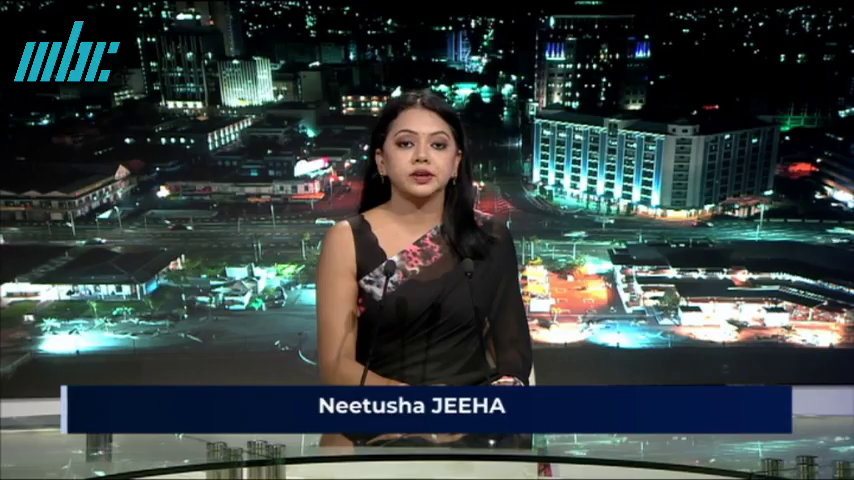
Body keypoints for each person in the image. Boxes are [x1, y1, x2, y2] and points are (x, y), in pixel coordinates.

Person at [315, 88, 532, 449]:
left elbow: (512, 348)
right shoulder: (347, 239)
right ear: (381, 160)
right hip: (379, 424)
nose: (421, 156)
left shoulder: (490, 238)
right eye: (405, 144)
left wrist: (488, 403)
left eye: (438, 145)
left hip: (474, 424)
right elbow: (337, 366)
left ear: (456, 162)